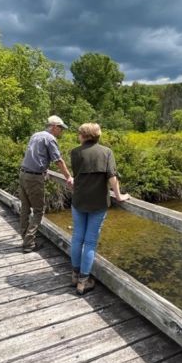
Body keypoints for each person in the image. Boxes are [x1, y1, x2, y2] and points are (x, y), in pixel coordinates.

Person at [70, 122, 130, 295]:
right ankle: (83, 281)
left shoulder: (75, 152)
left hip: (79, 200)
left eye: (79, 133)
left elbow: (79, 175)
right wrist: (119, 196)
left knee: (77, 238)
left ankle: (75, 275)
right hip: (98, 203)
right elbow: (112, 177)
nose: (78, 136)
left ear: (84, 135)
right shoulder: (106, 152)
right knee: (89, 242)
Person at [19, 115, 74, 253]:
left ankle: (25, 236)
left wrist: (44, 168)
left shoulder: (35, 135)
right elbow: (58, 160)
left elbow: (35, 156)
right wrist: (68, 177)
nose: (61, 131)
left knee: (25, 208)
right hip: (34, 177)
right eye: (60, 128)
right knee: (38, 210)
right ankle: (29, 243)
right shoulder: (50, 139)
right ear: (54, 126)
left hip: (23, 173)